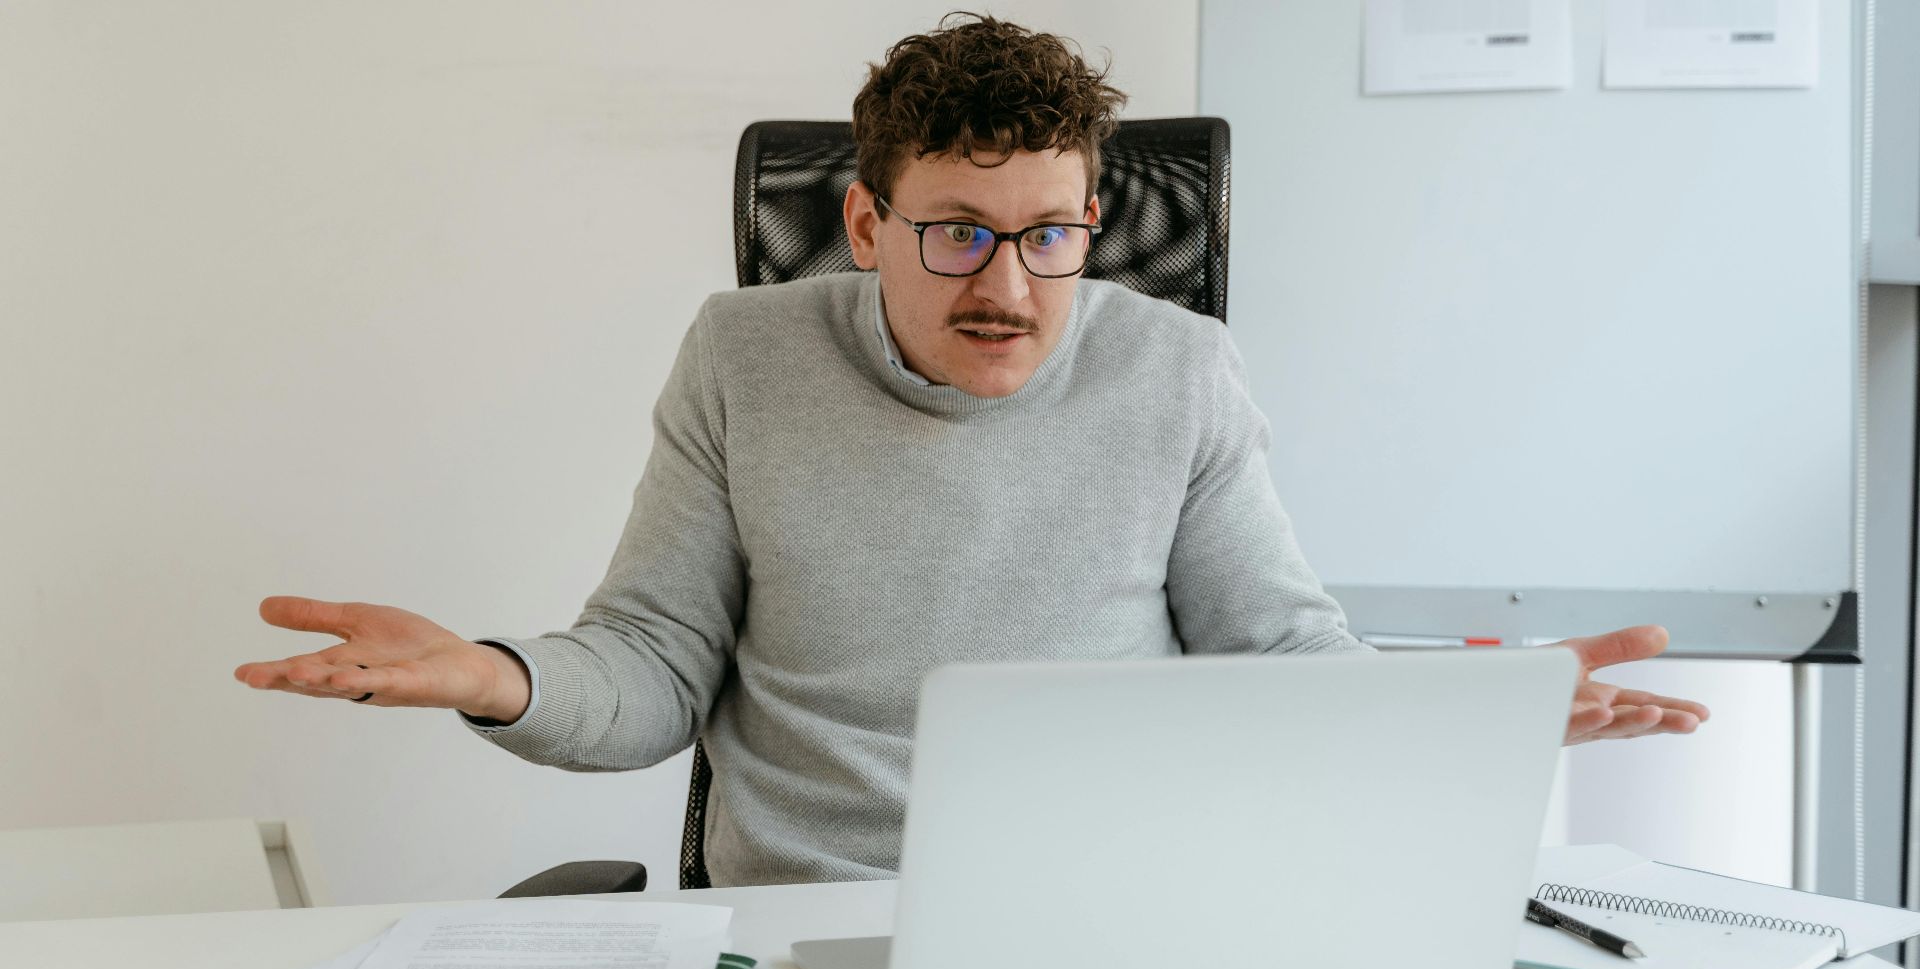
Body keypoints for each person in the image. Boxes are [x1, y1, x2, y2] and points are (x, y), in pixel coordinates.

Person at [234, 14, 1708, 887]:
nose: (1007, 286)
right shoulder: (744, 357)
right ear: (867, 222)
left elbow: (1276, 654)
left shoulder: (1177, 370)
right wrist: (504, 675)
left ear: (1094, 222)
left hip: (1109, 918)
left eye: (1051, 235)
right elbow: (655, 664)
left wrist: (1458, 713)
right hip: (800, 920)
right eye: (956, 233)